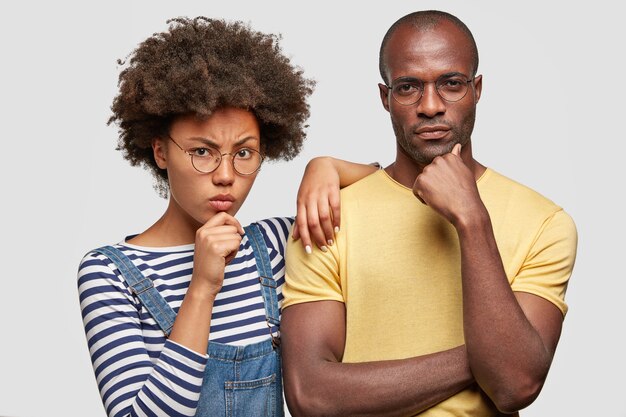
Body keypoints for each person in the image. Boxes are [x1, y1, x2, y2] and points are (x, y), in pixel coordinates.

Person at [281, 9, 578, 417]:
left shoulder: (545, 223)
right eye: (408, 88)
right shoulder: (328, 214)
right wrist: (489, 355)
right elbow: (311, 396)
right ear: (385, 98)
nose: (431, 106)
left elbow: (515, 387)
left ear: (476, 89)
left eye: (451, 84)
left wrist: (472, 219)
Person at [77, 16, 374, 417]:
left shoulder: (273, 245)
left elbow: (398, 190)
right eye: (202, 151)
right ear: (161, 151)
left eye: (244, 153)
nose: (226, 175)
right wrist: (202, 286)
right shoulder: (109, 273)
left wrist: (326, 167)